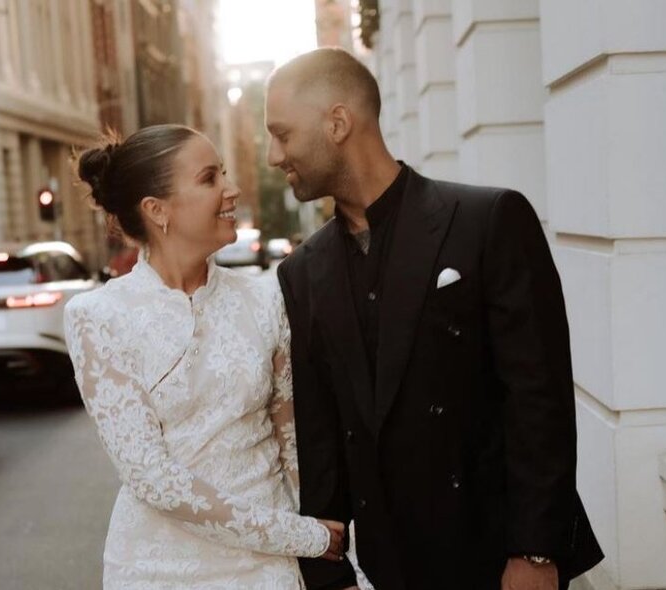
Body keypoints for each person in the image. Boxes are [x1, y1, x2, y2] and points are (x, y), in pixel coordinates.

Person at [269, 48, 604, 590]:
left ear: (337, 123)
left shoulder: (488, 220)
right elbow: (322, 435)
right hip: (387, 568)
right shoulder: (303, 272)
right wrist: (329, 577)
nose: (271, 154)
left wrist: (536, 552)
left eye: (282, 134)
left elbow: (538, 397)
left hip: (497, 557)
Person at [65, 124, 345, 589]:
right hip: (160, 570)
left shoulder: (265, 299)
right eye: (210, 178)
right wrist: (299, 535)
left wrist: (325, 560)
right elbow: (151, 477)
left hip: (269, 569)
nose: (231, 190)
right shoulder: (97, 317)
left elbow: (291, 443)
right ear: (157, 210)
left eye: (225, 173)